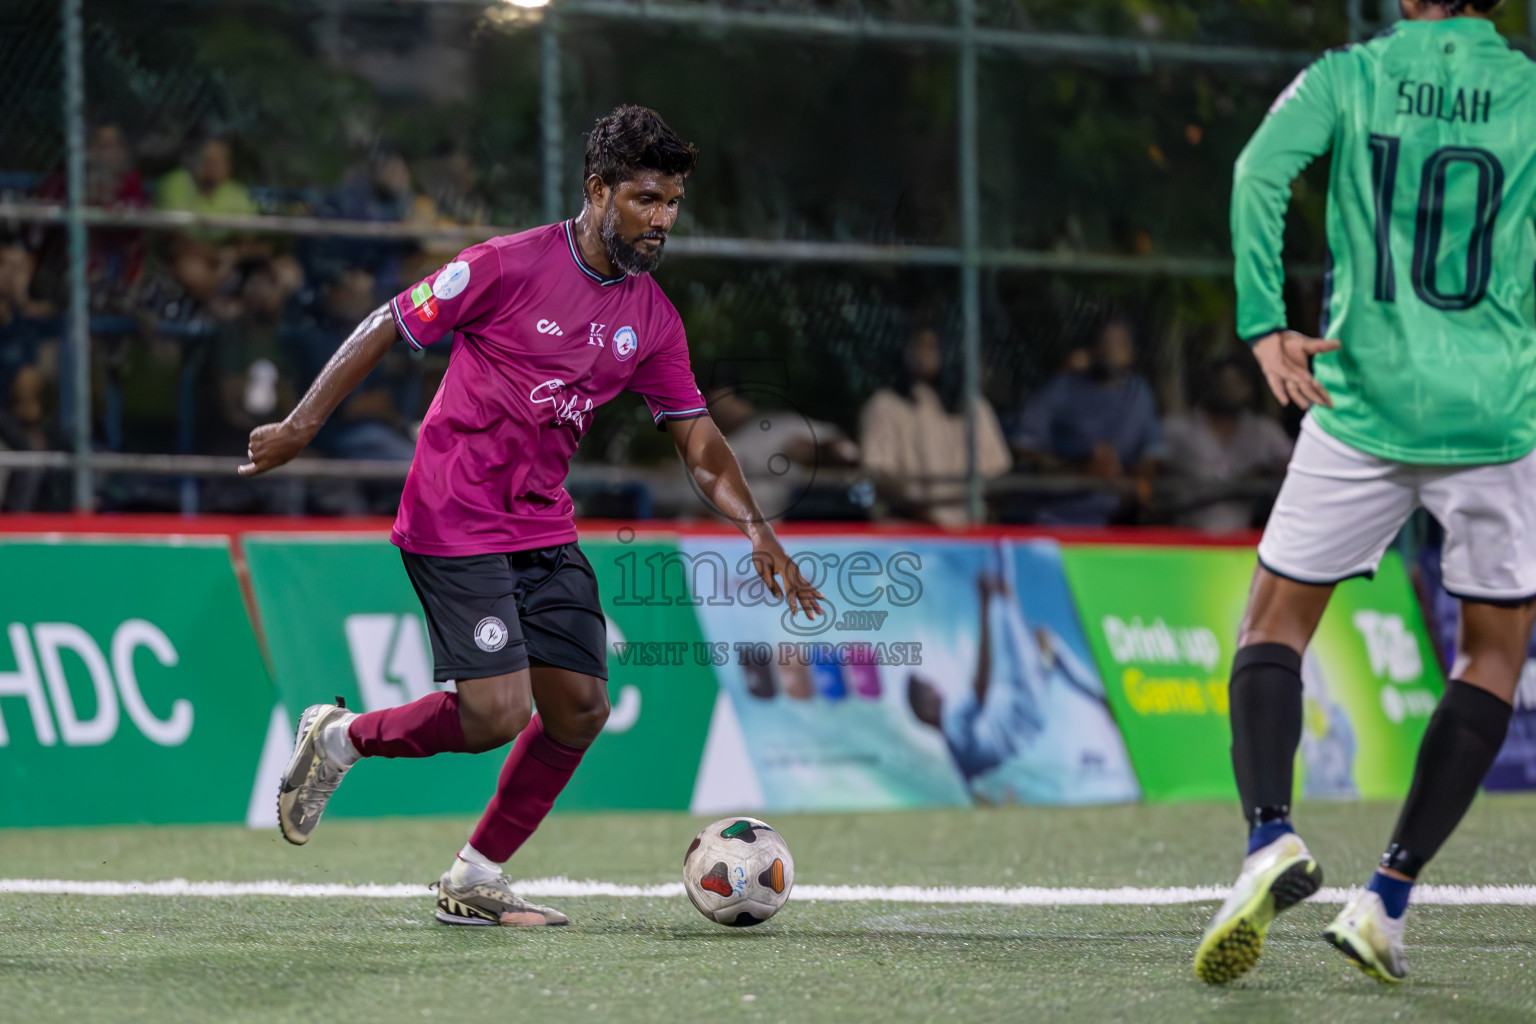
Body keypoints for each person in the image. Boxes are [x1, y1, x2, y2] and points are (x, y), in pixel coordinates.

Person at [239, 105, 822, 928]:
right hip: (454, 511)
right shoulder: (506, 266)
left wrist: (757, 528)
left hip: (541, 524)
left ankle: (476, 876)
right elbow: (387, 322)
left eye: (672, 204)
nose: (661, 220)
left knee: (580, 708)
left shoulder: (652, 319)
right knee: (496, 714)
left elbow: (697, 438)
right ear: (598, 191)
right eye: (646, 200)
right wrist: (301, 425)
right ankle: (339, 738)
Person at [1194, 0, 1536, 985]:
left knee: (1272, 625)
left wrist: (1266, 323)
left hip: (1361, 397)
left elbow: (1256, 171)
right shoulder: (1523, 90)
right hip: (1495, 416)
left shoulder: (1349, 76)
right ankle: (1386, 898)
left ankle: (1270, 836)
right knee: (1494, 656)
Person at [1010, 315, 1165, 525]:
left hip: (1118, 521)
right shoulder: (1061, 387)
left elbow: (1153, 454)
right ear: (1092, 349)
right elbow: (1023, 445)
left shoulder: (1139, 393)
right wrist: (1080, 468)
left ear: (1131, 354)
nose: (1110, 350)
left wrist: (1130, 478)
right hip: (1057, 518)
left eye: (1118, 344)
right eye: (1104, 343)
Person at [859, 325, 1009, 527]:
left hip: (969, 531)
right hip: (908, 534)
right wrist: (927, 519)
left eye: (933, 347)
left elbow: (995, 473)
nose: (925, 354)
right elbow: (881, 476)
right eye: (918, 346)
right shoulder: (885, 405)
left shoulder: (973, 406)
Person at [1163, 357, 1292, 531]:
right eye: (1223, 383)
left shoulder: (1264, 431)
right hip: (1185, 539)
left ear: (1249, 388)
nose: (1229, 390)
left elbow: (1294, 466)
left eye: (1237, 383)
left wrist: (1264, 472)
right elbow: (1150, 472)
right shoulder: (1178, 430)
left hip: (1246, 541)